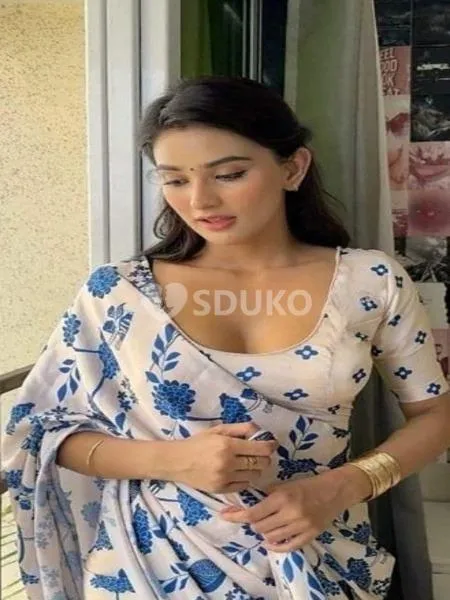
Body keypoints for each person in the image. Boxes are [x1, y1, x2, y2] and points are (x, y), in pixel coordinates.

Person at [3, 76, 450, 600]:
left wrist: (342, 487)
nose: (200, 200)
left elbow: (435, 414)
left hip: (320, 555)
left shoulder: (369, 282)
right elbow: (39, 432)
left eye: (230, 174)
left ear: (293, 168)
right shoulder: (118, 293)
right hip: (149, 567)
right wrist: (172, 460)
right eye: (174, 180)